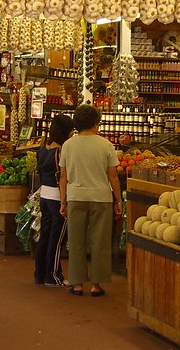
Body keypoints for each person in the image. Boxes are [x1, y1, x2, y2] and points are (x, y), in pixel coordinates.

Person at [58, 104, 122, 297]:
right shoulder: (106, 145)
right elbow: (113, 176)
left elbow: (63, 176)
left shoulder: (68, 145)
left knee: (76, 241)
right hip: (101, 198)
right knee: (99, 241)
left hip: (76, 197)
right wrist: (118, 200)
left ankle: (77, 284)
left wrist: (63, 201)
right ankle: (96, 284)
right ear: (96, 123)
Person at [35, 114, 75, 287]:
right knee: (57, 240)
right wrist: (64, 201)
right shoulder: (61, 151)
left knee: (45, 236)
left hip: (44, 196)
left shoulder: (43, 148)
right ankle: (53, 276)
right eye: (71, 131)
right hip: (57, 198)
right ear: (65, 132)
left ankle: (40, 273)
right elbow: (63, 177)